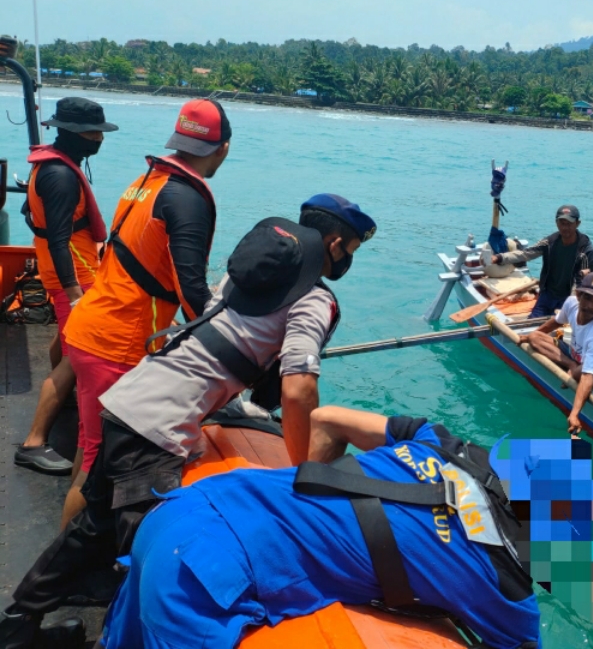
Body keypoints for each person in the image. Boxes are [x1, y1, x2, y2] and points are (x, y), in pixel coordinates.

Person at [0, 194, 375, 647]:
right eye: (351, 249)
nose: (347, 259)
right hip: (156, 430)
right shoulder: (314, 298)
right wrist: (300, 473)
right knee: (168, 557)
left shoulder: (246, 278)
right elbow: (298, 388)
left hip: (130, 401)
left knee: (93, 526)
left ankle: (19, 623)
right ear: (334, 243)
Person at [100, 407, 541, 649]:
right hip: (206, 576)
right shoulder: (504, 585)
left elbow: (326, 417)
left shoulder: (436, 443)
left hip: (184, 508)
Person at [57, 98, 230, 527]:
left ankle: (72, 546)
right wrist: (227, 342)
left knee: (89, 442)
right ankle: (62, 570)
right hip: (116, 340)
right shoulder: (187, 198)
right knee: (98, 463)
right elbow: (191, 288)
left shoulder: (149, 178)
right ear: (222, 148)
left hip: (92, 323)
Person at [15, 98, 117, 475]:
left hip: (72, 269)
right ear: (72, 133)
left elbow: (33, 218)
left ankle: (65, 402)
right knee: (78, 359)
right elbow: (58, 239)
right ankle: (33, 442)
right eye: (93, 133)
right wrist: (74, 294)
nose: (98, 140)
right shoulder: (59, 176)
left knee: (68, 343)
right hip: (72, 277)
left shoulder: (53, 166)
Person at [520, 271, 593, 436]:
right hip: (578, 356)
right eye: (587, 297)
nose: (590, 305)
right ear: (578, 294)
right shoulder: (571, 304)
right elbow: (555, 322)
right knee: (534, 337)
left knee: (580, 374)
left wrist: (574, 414)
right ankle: (572, 367)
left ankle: (574, 370)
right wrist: (527, 336)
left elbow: (588, 376)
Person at [488, 204, 593, 318]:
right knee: (531, 324)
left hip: (569, 298)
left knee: (561, 330)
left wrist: (573, 304)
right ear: (556, 223)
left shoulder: (585, 250)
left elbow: (587, 279)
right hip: (547, 295)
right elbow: (525, 254)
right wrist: (499, 258)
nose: (565, 227)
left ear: (577, 223)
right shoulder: (549, 242)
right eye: (562, 223)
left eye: (569, 224)